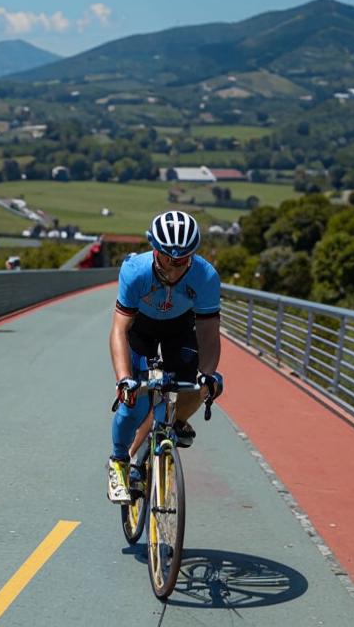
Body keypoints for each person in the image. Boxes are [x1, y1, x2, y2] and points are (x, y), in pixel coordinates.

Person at [107, 210, 223, 504]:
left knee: (194, 387)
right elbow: (120, 329)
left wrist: (208, 373)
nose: (172, 269)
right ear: (154, 250)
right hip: (140, 328)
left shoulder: (206, 276)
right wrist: (124, 379)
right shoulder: (136, 271)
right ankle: (119, 461)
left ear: (192, 256)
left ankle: (173, 424)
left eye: (181, 261)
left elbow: (208, 333)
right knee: (135, 401)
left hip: (179, 327)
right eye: (166, 259)